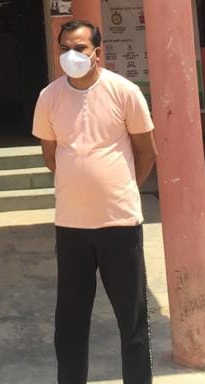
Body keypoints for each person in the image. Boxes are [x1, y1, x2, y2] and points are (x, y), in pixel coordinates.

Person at [32, 19, 158, 384]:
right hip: (70, 225)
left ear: (97, 53)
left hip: (119, 223)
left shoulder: (124, 91)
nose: (72, 55)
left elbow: (146, 151)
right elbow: (50, 154)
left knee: (132, 320)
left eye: (80, 48)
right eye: (65, 48)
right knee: (69, 322)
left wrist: (120, 188)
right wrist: (80, 184)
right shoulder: (49, 97)